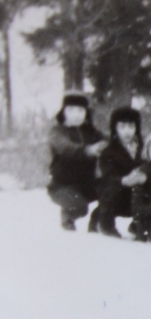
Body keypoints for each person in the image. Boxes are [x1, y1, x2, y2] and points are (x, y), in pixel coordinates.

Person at [46, 90, 107, 231]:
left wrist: (107, 145)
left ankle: (96, 222)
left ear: (86, 113)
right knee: (80, 207)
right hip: (62, 186)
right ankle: (67, 217)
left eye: (80, 110)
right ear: (63, 112)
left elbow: (108, 140)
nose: (76, 114)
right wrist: (88, 150)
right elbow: (66, 147)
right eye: (71, 110)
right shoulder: (57, 131)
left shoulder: (91, 132)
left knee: (112, 191)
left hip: (86, 184)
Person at [91, 107, 145, 237]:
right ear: (115, 128)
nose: (127, 131)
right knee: (111, 188)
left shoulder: (144, 147)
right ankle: (105, 223)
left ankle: (139, 225)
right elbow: (108, 175)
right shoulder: (108, 151)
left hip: (136, 193)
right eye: (122, 127)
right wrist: (123, 180)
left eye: (131, 126)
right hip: (118, 192)